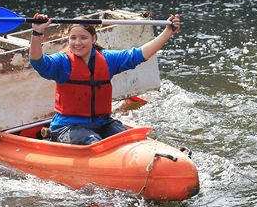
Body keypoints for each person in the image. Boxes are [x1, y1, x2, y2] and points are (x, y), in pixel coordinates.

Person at [29, 13, 181, 145]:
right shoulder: (62, 62)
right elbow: (38, 62)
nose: (77, 43)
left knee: (129, 139)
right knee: (93, 140)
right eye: (73, 38)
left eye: (83, 38)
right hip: (68, 127)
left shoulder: (107, 60)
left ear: (93, 38)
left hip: (102, 123)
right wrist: (37, 33)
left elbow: (139, 55)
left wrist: (168, 32)